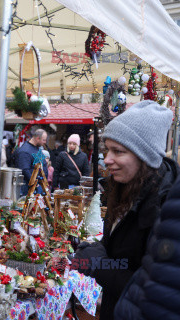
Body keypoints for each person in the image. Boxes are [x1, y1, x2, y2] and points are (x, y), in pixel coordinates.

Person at [73, 100, 178, 320]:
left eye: (118, 151)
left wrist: (99, 264)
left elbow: (153, 295)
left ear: (145, 156)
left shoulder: (166, 208)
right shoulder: (124, 187)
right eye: (107, 149)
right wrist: (96, 249)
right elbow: (121, 250)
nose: (107, 159)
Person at [114, 175, 180, 319]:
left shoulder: (156, 200)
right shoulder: (124, 190)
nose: (108, 159)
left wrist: (96, 263)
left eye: (119, 151)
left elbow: (162, 290)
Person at [13, 129, 48, 193]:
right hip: (30, 187)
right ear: (37, 138)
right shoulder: (25, 151)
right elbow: (25, 169)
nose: (45, 142)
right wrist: (35, 183)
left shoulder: (36, 148)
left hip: (39, 185)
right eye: (44, 140)